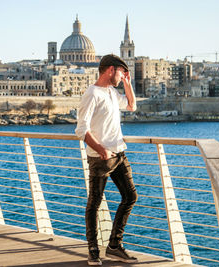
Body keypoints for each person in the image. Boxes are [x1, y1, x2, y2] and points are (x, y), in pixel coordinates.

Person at [75, 54, 138, 265]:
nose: (123, 76)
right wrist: (101, 149)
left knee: (130, 196)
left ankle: (114, 245)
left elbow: (132, 106)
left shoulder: (111, 91)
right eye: (121, 73)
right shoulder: (92, 94)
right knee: (95, 203)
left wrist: (127, 84)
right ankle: (93, 249)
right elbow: (81, 130)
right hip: (100, 158)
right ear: (111, 70)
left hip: (119, 154)